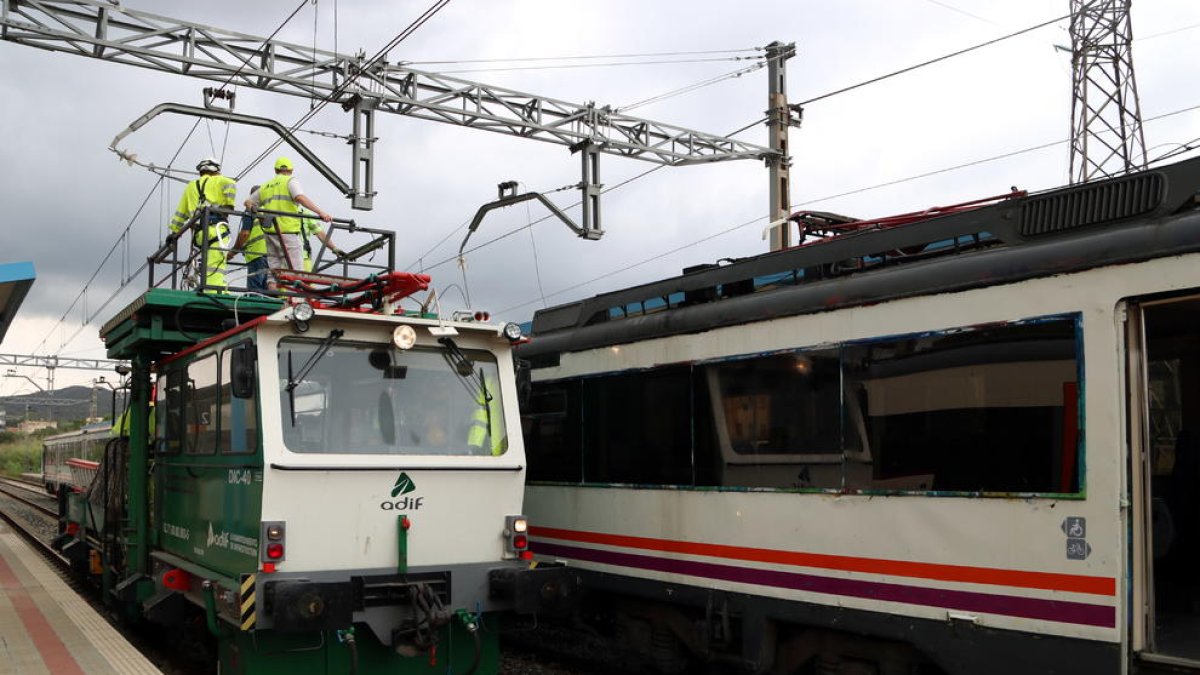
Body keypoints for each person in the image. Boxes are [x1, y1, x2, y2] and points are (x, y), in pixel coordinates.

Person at [243, 157, 333, 290]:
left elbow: (247, 202)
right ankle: (296, 301)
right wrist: (321, 212)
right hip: (288, 232)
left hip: (270, 232)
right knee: (296, 271)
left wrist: (259, 215)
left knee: (274, 270)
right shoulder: (290, 181)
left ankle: (274, 297)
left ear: (275, 170)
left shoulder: (266, 186)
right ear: (291, 170)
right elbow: (299, 197)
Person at [168, 157, 236, 291]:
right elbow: (231, 187)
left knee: (206, 265)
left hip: (199, 233)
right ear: (217, 170)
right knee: (216, 266)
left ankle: (213, 289)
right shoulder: (222, 180)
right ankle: (213, 293)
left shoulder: (191, 187)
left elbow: (181, 213)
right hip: (217, 230)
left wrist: (174, 232)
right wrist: (228, 204)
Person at [232, 185, 269, 292]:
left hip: (256, 254)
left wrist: (233, 252)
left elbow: (244, 234)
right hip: (273, 255)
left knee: (255, 290)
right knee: (269, 288)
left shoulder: (250, 210)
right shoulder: (270, 209)